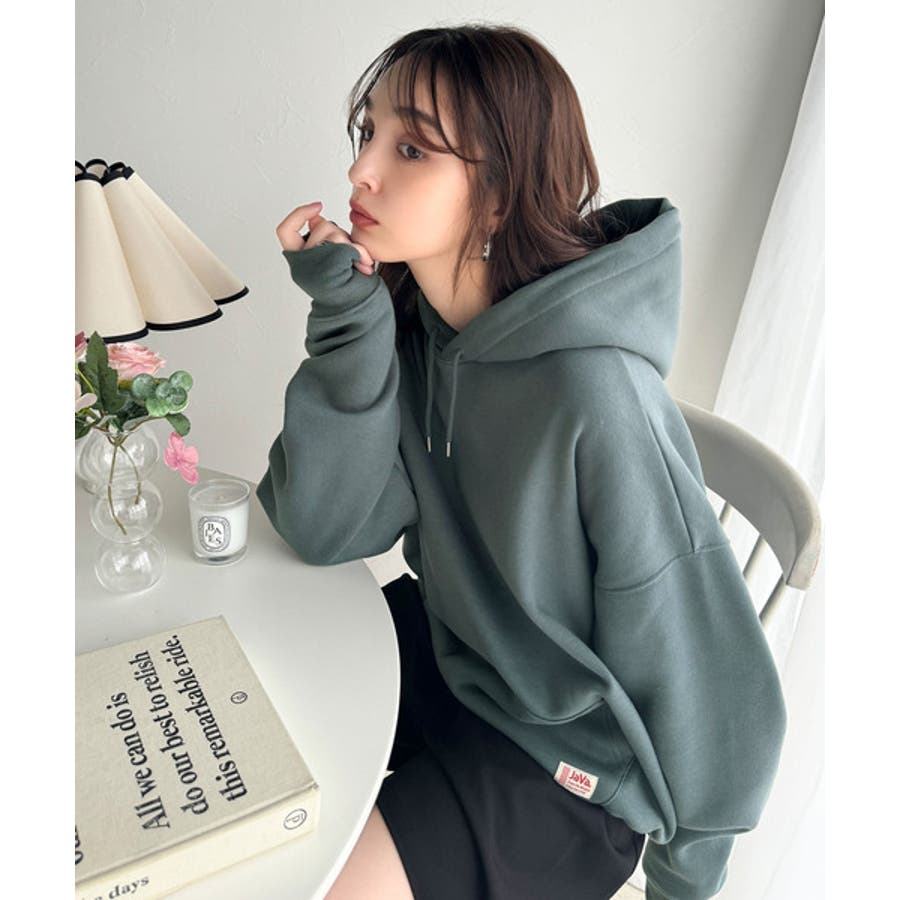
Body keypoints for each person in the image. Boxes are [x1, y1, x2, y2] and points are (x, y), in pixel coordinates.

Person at [258, 23, 787, 900]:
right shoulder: (417, 332)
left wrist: (687, 883)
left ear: (499, 195)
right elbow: (325, 528)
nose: (361, 171)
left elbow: (715, 682)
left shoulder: (599, 400)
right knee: (235, 712)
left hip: (572, 765)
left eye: (411, 148)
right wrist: (349, 320)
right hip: (459, 654)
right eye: (369, 133)